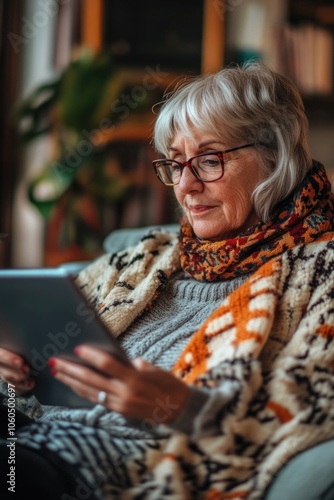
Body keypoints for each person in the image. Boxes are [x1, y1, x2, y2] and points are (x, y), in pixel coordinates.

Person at [1, 61, 334, 500]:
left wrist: (179, 408)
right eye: (176, 165)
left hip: (122, 463)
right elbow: (41, 372)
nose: (186, 186)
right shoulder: (147, 255)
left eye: (210, 160)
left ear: (277, 157)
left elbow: (309, 411)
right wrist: (19, 377)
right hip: (25, 436)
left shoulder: (321, 273)